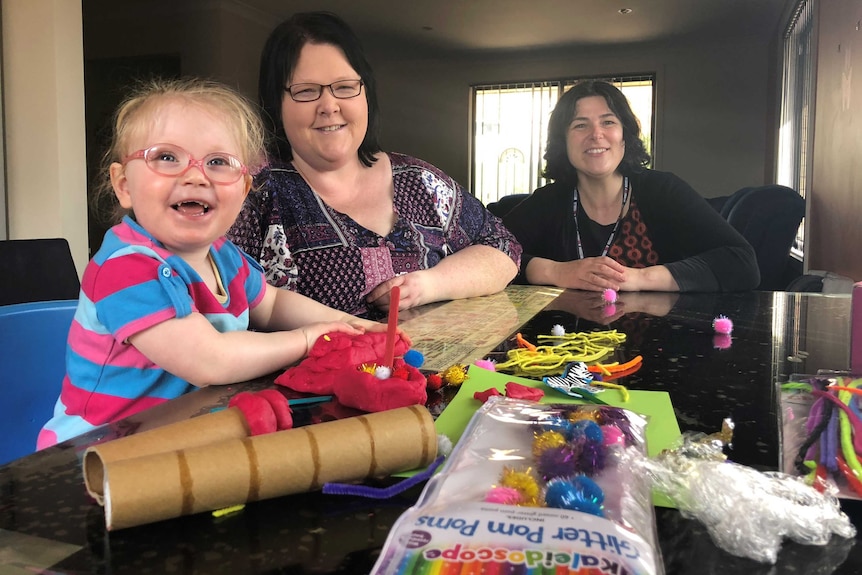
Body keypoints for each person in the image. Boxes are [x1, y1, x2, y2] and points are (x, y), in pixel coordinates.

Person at [38, 78, 385, 448]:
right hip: (95, 456)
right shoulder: (125, 269)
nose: (195, 175)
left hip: (183, 437)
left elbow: (271, 303)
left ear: (243, 192)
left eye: (218, 162)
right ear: (124, 185)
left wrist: (346, 323)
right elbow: (211, 361)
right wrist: (306, 340)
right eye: (166, 157)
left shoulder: (224, 256)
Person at [227, 11, 521, 319]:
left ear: (365, 92)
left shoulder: (420, 181)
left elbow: (504, 249)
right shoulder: (252, 190)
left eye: (344, 86)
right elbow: (207, 294)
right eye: (306, 91)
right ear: (276, 103)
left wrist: (429, 284)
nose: (329, 106)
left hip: (431, 367)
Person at [502, 80, 760, 293]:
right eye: (580, 125)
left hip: (656, 344)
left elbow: (742, 262)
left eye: (608, 122)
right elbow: (491, 252)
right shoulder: (548, 201)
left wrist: (638, 279)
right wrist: (556, 271)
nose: (596, 134)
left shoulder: (663, 190)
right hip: (562, 348)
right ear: (563, 142)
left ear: (625, 137)